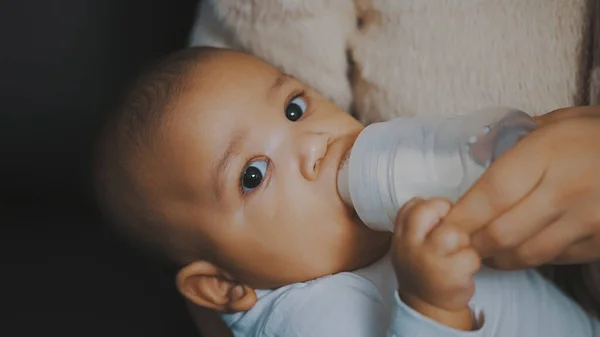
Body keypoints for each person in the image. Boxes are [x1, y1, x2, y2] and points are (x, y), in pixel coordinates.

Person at [94, 47, 600, 337]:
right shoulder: (308, 319)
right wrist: (432, 307)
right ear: (224, 286)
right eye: (253, 175)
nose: (314, 145)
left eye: (294, 108)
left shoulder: (380, 213)